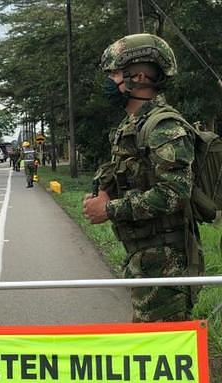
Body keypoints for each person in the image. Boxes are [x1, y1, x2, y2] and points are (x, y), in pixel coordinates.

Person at [82, 33, 203, 322]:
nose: (109, 81)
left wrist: (108, 209)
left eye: (113, 73)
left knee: (164, 354)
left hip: (166, 264)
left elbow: (174, 193)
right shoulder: (133, 125)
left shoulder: (164, 127)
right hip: (145, 258)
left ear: (138, 77)